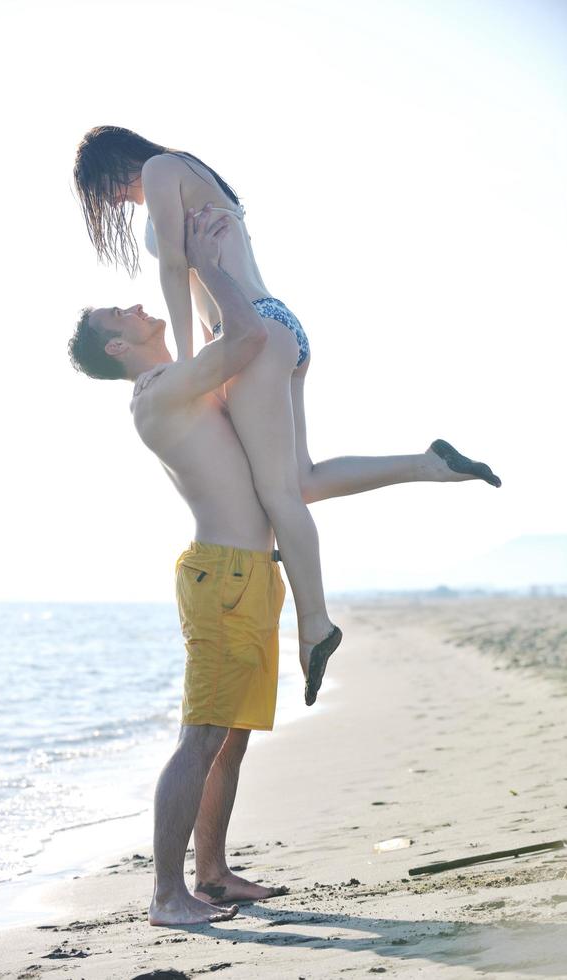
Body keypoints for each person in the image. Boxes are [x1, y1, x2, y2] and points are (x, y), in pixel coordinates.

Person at [68, 207, 500, 925]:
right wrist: (211, 266)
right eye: (124, 309)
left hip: (251, 574)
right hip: (224, 576)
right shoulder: (158, 393)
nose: (142, 303)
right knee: (201, 736)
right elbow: (247, 338)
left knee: (229, 739)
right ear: (116, 344)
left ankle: (211, 874)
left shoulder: (181, 381)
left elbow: (285, 468)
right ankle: (166, 896)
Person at [73, 127, 500, 705]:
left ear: (113, 164)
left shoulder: (158, 171)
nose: (118, 202)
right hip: (277, 324)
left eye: (107, 191)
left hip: (250, 333)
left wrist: (195, 363)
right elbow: (204, 278)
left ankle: (316, 625)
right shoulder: (190, 168)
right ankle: (428, 464)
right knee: (300, 481)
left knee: (279, 497)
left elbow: (175, 270)